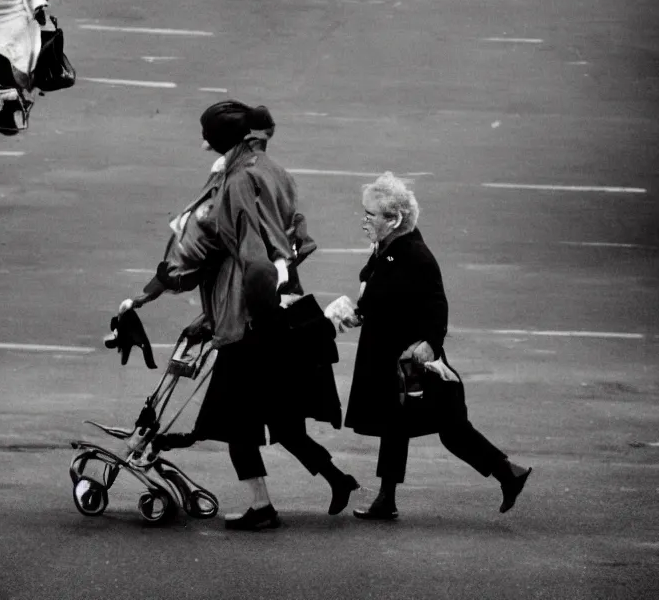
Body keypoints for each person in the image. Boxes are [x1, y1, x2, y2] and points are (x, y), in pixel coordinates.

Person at [119, 100, 357, 531]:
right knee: (282, 421)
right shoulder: (275, 173)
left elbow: (206, 254)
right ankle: (338, 480)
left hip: (248, 322)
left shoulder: (234, 183)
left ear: (225, 140)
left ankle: (262, 508)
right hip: (277, 313)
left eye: (207, 134)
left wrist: (151, 292)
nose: (202, 141)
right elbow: (293, 240)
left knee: (235, 425)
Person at [343, 172, 532, 521]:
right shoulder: (388, 247)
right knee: (395, 424)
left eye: (370, 214)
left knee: (451, 430)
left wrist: (431, 343)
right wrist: (359, 311)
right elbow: (378, 286)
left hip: (415, 363)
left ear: (393, 219)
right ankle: (387, 499)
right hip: (394, 356)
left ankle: (509, 474)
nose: (364, 219)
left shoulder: (414, 254)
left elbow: (436, 304)